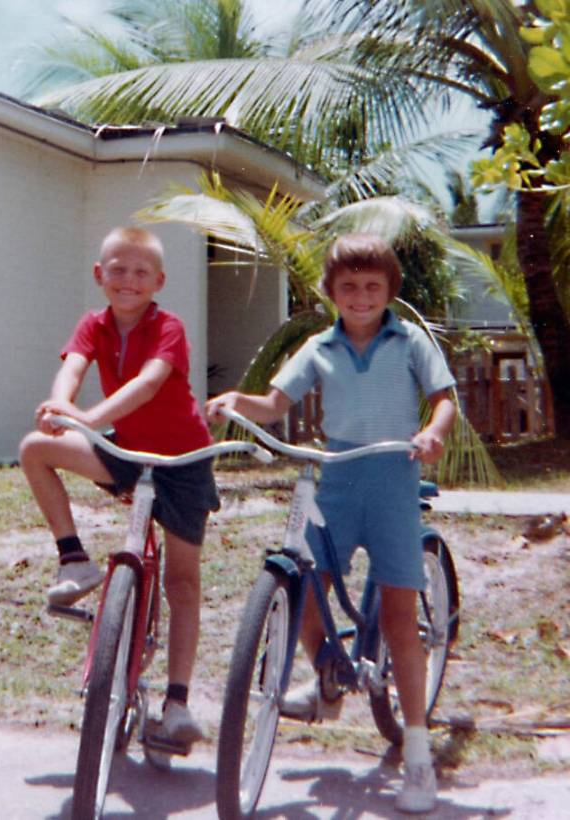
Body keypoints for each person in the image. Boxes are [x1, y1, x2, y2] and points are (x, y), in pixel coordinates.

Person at [205, 233, 456, 813]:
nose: (361, 297)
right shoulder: (320, 346)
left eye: (373, 287)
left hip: (394, 477)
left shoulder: (408, 339)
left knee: (398, 616)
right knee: (303, 589)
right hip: (337, 477)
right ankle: (327, 675)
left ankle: (416, 749)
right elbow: (274, 404)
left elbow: (444, 397)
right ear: (331, 293)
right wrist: (236, 401)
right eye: (349, 288)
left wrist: (434, 432)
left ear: (389, 290)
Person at [19, 226, 219, 750]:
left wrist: (86, 416)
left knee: (182, 582)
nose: (128, 280)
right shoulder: (93, 324)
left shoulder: (168, 326)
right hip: (128, 453)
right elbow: (73, 369)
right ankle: (72, 558)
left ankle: (177, 703)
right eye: (118, 269)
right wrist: (60, 408)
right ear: (99, 275)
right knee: (34, 449)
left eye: (140, 272)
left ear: (158, 281)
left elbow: (148, 384)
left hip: (184, 462)